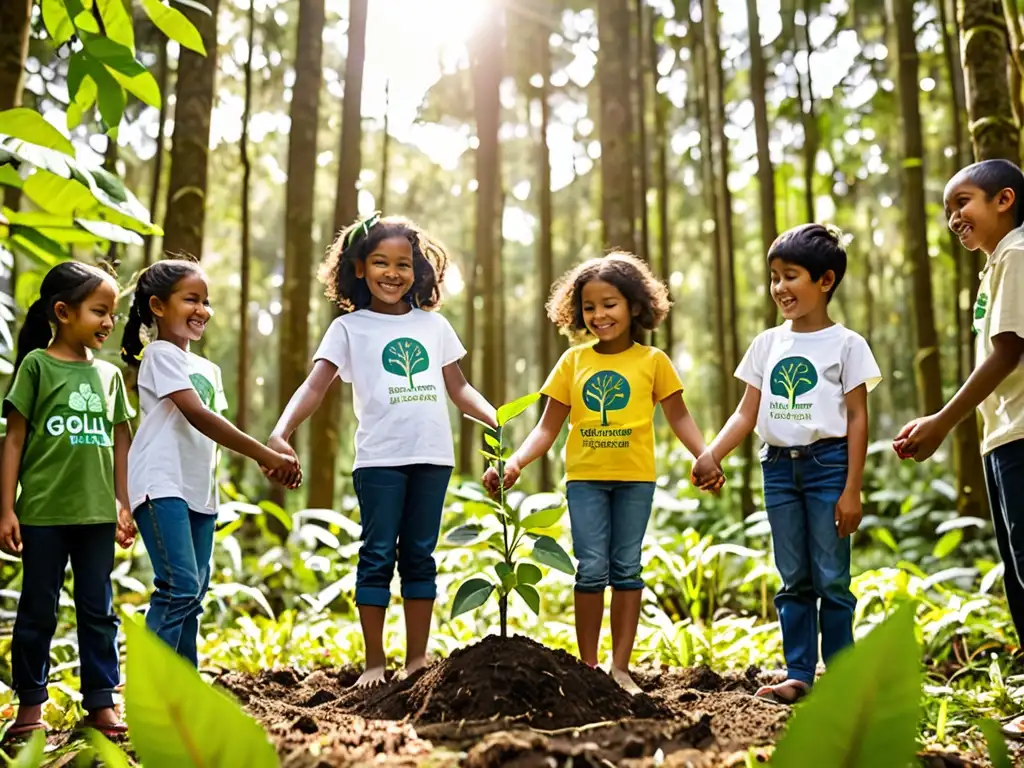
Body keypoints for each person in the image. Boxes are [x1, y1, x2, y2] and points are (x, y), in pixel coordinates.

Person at [269, 213, 497, 687]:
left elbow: (459, 388)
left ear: (418, 270)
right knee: (377, 554)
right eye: (380, 262)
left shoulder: (434, 327)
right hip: (379, 461)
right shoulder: (349, 329)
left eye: (403, 263)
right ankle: (375, 663)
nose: (393, 273)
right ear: (358, 267)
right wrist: (281, 432)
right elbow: (315, 386)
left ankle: (416, 660)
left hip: (433, 456)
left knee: (420, 554)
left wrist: (497, 419)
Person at [483, 251, 718, 695]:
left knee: (627, 566)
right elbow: (547, 428)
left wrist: (706, 454)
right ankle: (588, 667)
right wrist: (514, 462)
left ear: (633, 305)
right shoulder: (573, 363)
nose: (598, 315)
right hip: (585, 480)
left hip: (636, 479)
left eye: (609, 304)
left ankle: (621, 669)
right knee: (591, 568)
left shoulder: (653, 361)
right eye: (589, 307)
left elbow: (679, 417)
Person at [692, 224, 881, 704]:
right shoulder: (767, 343)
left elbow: (858, 418)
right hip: (777, 469)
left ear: (826, 280)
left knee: (832, 578)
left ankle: (842, 676)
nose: (779, 288)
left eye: (790, 276)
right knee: (793, 576)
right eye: (774, 277)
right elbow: (746, 412)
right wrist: (711, 453)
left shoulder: (847, 345)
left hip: (828, 465)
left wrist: (852, 488)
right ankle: (799, 672)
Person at [893, 159, 1024, 736]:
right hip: (1002, 437)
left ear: (1004, 200)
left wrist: (943, 421)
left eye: (963, 202)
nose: (954, 218)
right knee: (1018, 577)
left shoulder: (1018, 254)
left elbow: (1008, 351)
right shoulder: (996, 264)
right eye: (948, 210)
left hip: (1022, 434)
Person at [121, 258, 300, 667]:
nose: (201, 309)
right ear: (158, 306)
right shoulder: (160, 355)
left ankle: (185, 691)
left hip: (199, 490)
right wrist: (265, 454)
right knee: (178, 587)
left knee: (195, 594)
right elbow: (197, 415)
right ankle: (158, 694)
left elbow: (215, 430)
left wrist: (264, 462)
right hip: (160, 483)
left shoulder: (208, 369)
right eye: (191, 299)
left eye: (205, 301)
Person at [1, 262, 136, 739]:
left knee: (97, 609)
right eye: (99, 311)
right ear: (62, 312)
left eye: (112, 314)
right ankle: (29, 708)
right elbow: (13, 439)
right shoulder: (36, 366)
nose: (107, 322)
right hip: (42, 513)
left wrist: (124, 503)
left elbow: (121, 442)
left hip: (97, 513)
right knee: (38, 607)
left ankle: (102, 703)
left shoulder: (109, 375)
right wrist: (7, 508)